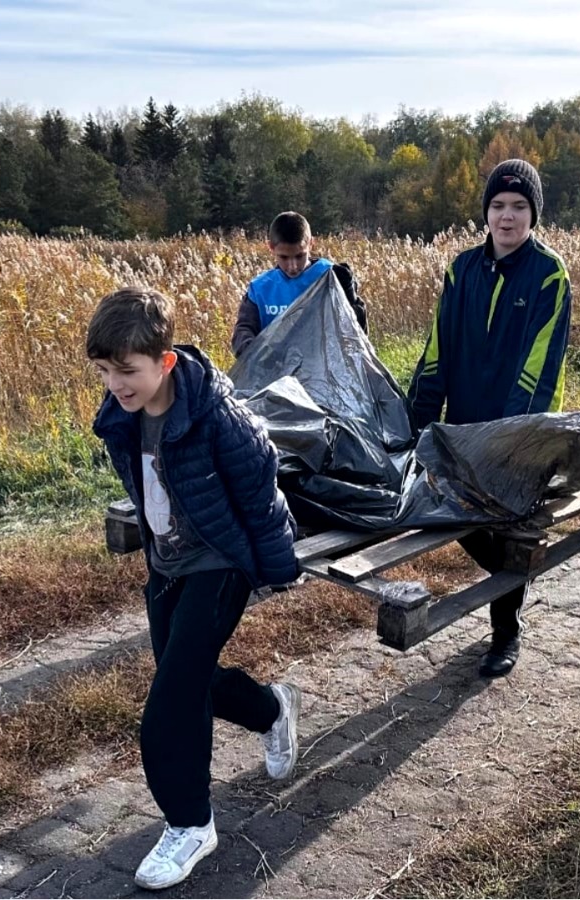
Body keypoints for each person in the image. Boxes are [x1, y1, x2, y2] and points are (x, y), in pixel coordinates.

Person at [87, 287, 303, 889]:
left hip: (221, 561)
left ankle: (189, 825)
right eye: (104, 372)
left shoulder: (216, 415)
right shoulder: (122, 417)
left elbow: (260, 488)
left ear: (165, 361)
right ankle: (272, 709)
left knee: (171, 701)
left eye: (126, 371)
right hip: (169, 563)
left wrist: (275, 566)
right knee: (193, 679)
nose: (115, 384)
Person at [406, 158, 572, 678]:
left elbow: (539, 368)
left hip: (522, 432)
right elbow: (438, 350)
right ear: (486, 212)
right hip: (463, 427)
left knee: (507, 525)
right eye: (498, 205)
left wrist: (510, 439)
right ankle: (513, 574)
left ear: (533, 214)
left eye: (519, 206)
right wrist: (418, 418)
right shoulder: (461, 270)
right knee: (462, 520)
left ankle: (506, 631)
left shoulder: (549, 276)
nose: (507, 216)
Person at [230, 210, 369, 358]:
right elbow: (243, 331)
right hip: (275, 372)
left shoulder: (330, 276)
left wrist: (350, 299)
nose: (293, 266)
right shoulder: (261, 289)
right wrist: (255, 352)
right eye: (284, 257)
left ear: (310, 244)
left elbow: (359, 335)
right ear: (270, 247)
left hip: (324, 369)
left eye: (299, 256)